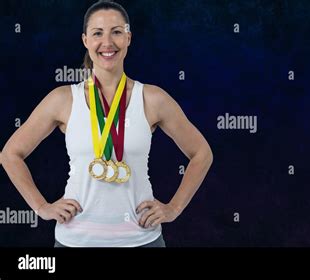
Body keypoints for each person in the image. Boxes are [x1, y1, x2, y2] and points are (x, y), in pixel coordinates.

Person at [1, 0, 213, 247]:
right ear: (85, 41)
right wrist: (41, 207)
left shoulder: (153, 98)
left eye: (116, 32)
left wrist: (174, 208)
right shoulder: (62, 99)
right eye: (97, 33)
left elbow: (202, 153)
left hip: (141, 239)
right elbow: (10, 154)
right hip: (75, 240)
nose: (107, 43)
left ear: (129, 38)